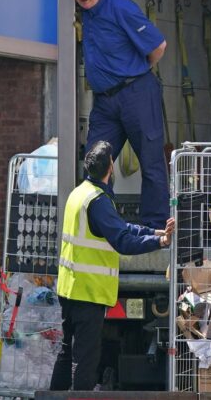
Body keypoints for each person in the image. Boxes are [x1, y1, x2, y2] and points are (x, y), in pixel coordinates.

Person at [50, 140, 175, 391]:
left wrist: (153, 231)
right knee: (86, 358)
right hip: (89, 293)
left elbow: (121, 227)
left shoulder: (80, 193)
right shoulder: (98, 201)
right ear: (110, 168)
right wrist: (160, 241)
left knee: (66, 352)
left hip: (69, 288)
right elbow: (123, 241)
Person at [69, 0, 169, 229]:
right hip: (104, 100)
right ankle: (102, 223)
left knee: (151, 162)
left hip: (136, 92)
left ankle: (154, 228)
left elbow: (158, 45)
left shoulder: (120, 8)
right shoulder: (81, 13)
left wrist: (140, 72)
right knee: (95, 162)